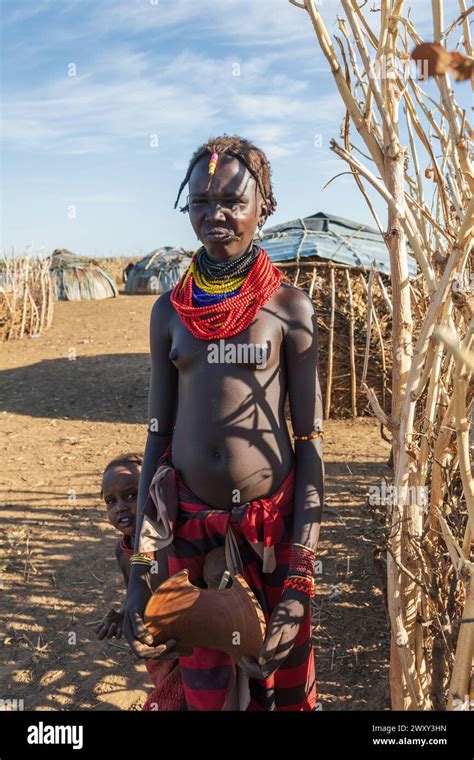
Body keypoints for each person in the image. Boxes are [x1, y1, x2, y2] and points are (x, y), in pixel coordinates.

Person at [123, 134, 324, 711]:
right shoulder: (170, 312)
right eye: (201, 202)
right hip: (189, 530)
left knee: (277, 684)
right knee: (203, 687)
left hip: (272, 529)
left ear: (266, 206)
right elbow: (158, 435)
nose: (216, 214)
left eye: (233, 201)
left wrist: (299, 583)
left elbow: (309, 443)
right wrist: (140, 566)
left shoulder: (289, 308)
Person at [97, 453, 185, 710]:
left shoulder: (171, 542)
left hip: (186, 641)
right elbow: (137, 594)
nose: (120, 507)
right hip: (158, 649)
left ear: (153, 494)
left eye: (131, 496)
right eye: (110, 501)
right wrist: (123, 614)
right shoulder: (121, 552)